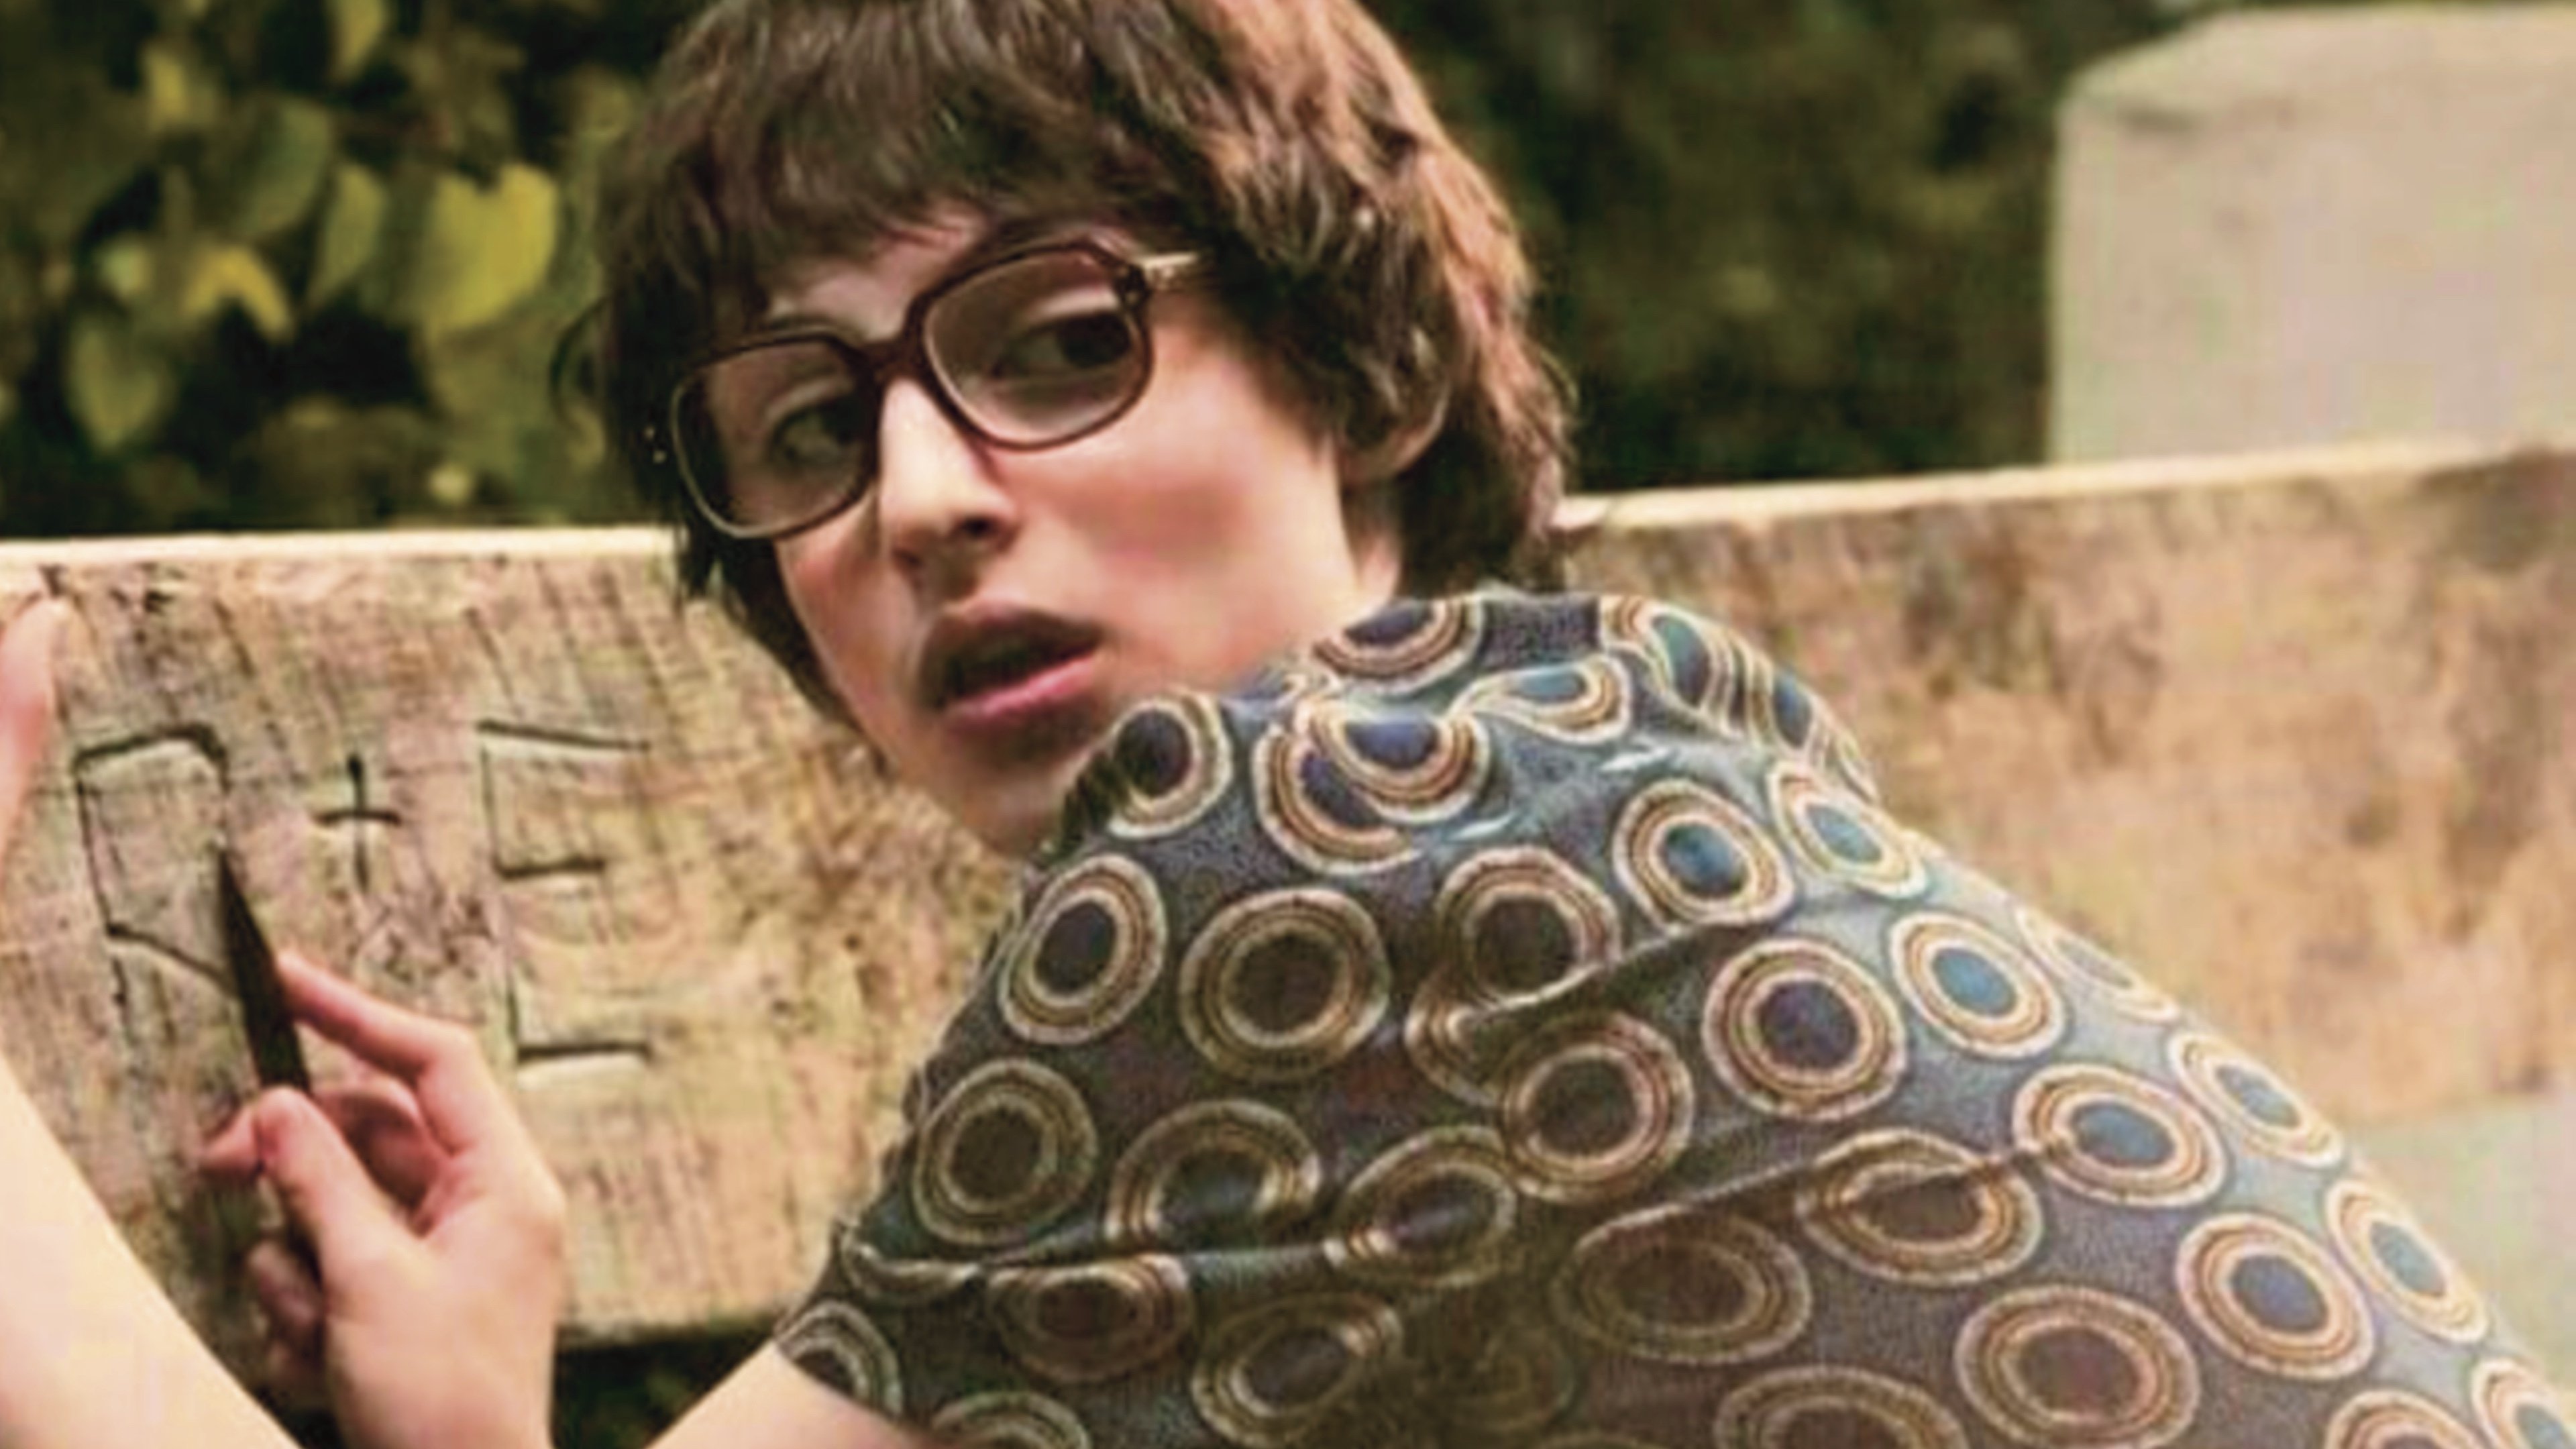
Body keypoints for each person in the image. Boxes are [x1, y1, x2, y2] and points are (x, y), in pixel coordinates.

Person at [0, 1, 2568, 1446]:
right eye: (805, 431)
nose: (922, 498)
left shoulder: (1306, 847)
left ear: (1360, 373)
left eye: (1056, 344)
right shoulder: (1606, 751)